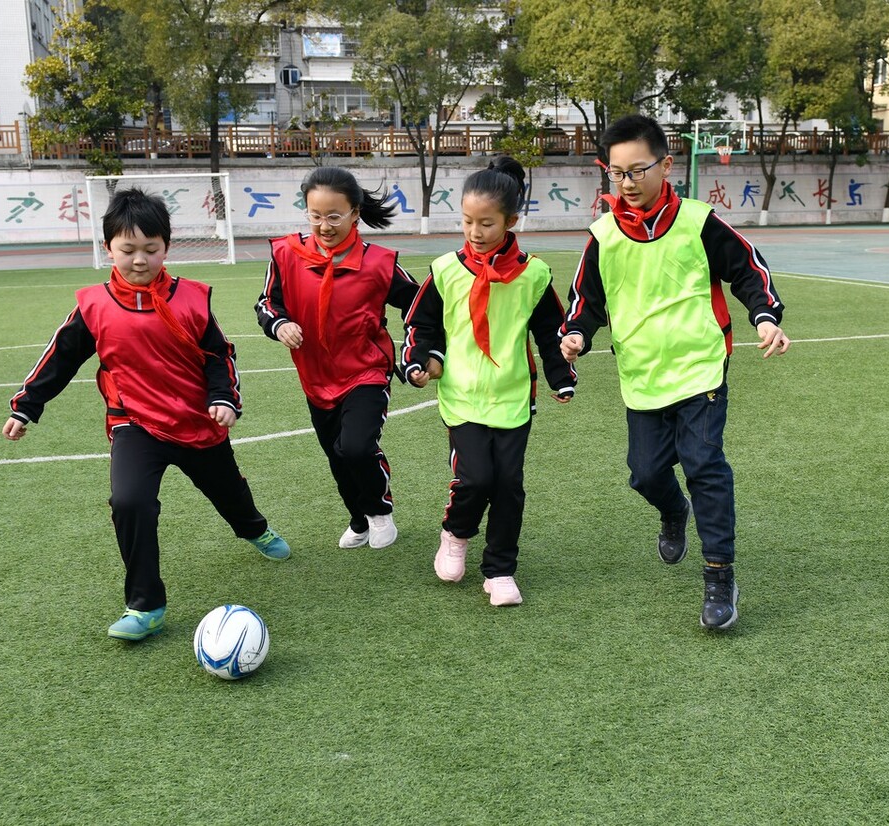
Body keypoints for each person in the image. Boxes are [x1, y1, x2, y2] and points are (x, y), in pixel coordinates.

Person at [2, 188, 289, 643]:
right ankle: (145, 605)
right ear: (108, 249)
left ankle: (255, 529)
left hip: (198, 423)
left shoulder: (192, 298)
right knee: (129, 502)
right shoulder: (93, 306)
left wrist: (224, 398)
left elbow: (218, 354)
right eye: (127, 250)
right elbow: (60, 358)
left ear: (166, 247)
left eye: (151, 250)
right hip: (135, 423)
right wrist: (27, 406)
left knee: (230, 495)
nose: (140, 260)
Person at [559, 114, 790, 631]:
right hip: (641, 375)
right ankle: (672, 511)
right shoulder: (602, 236)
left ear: (665, 165)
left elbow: (749, 269)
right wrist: (576, 333)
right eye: (615, 172)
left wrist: (766, 316)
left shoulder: (698, 222)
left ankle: (719, 576)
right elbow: (585, 302)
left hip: (701, 367)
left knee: (705, 464)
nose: (627, 182)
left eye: (637, 170)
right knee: (645, 474)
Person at [402, 157, 577, 607]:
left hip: (513, 397)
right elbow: (422, 325)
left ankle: (500, 570)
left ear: (511, 221)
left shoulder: (534, 274)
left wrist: (561, 376)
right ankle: (456, 534)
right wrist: (424, 360)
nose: (475, 232)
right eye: (467, 221)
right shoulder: (445, 270)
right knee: (475, 478)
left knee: (508, 486)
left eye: (486, 223)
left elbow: (550, 330)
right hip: (460, 396)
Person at [256, 167, 419, 550]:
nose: (324, 225)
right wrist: (279, 324)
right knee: (335, 454)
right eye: (315, 216)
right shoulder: (285, 254)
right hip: (315, 377)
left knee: (357, 447)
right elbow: (266, 303)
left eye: (334, 216)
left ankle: (380, 512)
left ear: (355, 213)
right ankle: (359, 519)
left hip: (366, 371)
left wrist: (422, 347)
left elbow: (419, 303)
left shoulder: (379, 262)